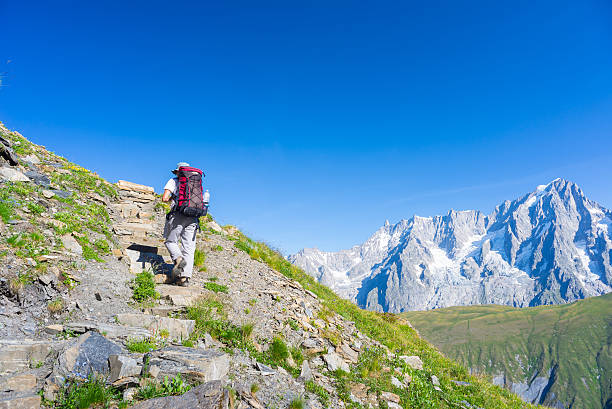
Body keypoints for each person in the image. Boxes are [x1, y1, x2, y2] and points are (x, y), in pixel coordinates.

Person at [161, 162, 198, 286]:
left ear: (178, 171)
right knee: (188, 247)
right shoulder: (195, 183)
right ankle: (184, 278)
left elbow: (165, 198)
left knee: (170, 241)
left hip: (178, 214)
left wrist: (173, 198)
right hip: (193, 216)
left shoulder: (173, 180)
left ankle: (178, 259)